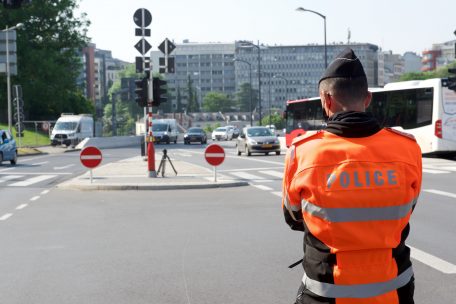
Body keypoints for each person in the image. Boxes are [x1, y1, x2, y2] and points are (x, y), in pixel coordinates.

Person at [282, 48, 422, 304]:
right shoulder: (408, 148)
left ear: (326, 99)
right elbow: (407, 208)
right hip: (395, 291)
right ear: (367, 99)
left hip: (327, 292)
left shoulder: (303, 152)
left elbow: (293, 217)